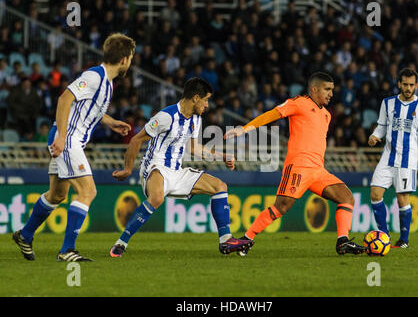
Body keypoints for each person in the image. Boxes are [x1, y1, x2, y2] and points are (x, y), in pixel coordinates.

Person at [12, 33, 136, 262]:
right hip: (68, 139)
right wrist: (61, 137)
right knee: (88, 191)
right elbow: (64, 99)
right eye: (130, 58)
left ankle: (25, 234)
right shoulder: (94, 76)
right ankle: (67, 250)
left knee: (58, 194)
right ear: (124, 59)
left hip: (68, 138)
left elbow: (89, 108)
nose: (130, 62)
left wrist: (111, 122)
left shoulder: (106, 84)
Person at [109, 77, 254, 257]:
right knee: (157, 198)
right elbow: (136, 139)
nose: (207, 105)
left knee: (220, 187)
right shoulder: (166, 117)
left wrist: (221, 157)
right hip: (156, 167)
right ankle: (121, 243)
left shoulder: (196, 120)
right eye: (206, 99)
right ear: (195, 98)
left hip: (177, 171)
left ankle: (225, 240)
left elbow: (194, 149)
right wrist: (128, 169)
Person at [225, 72, 366, 256]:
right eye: (327, 89)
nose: (331, 93)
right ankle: (246, 239)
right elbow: (271, 115)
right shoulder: (298, 103)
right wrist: (244, 129)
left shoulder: (326, 115)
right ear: (314, 89)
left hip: (318, 170)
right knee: (281, 206)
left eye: (332, 89)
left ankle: (342, 241)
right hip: (299, 166)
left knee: (347, 198)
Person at [368, 68, 418, 248]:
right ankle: (384, 236)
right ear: (399, 84)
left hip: (408, 160)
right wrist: (375, 135)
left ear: (417, 86)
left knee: (402, 199)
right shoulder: (388, 103)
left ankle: (404, 241)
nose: (408, 88)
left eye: (411, 85)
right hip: (388, 157)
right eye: (405, 84)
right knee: (375, 193)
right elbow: (381, 126)